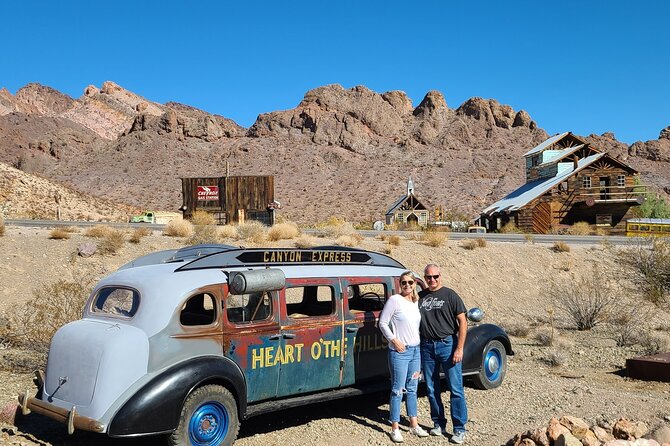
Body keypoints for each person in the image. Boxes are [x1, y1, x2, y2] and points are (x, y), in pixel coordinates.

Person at [419, 263, 468, 444]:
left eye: (435, 276)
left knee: (455, 388)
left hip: (447, 344)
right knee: (431, 388)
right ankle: (438, 423)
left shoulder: (450, 295)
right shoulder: (420, 297)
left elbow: (463, 322)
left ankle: (459, 428)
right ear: (424, 278)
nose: (432, 280)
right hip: (426, 346)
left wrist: (459, 348)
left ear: (441, 276)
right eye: (428, 277)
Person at [378, 271, 430, 443]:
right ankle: (395, 427)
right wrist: (393, 339)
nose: (407, 285)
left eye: (410, 282)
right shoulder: (395, 300)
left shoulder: (415, 302)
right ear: (399, 284)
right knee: (397, 389)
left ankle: (413, 424)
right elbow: (383, 322)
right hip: (400, 351)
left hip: (415, 351)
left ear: (415, 283)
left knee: (413, 387)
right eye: (403, 282)